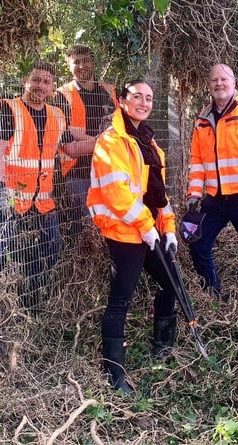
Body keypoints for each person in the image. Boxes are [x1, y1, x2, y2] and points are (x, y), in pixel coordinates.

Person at [87, 80, 178, 394]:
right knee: (120, 301)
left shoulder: (150, 143)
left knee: (172, 283)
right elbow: (117, 194)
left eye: (149, 98)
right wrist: (145, 225)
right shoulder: (110, 142)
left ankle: (163, 348)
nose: (143, 102)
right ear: (122, 100)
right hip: (125, 231)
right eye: (136, 96)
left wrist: (168, 230)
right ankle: (115, 375)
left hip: (150, 230)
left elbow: (159, 195)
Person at [0, 61, 66, 306]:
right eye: (36, 80)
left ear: (52, 88)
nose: (40, 85)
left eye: (46, 82)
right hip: (4, 199)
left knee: (52, 247)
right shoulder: (7, 109)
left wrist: (105, 138)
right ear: (25, 81)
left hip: (41, 202)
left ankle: (32, 301)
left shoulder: (57, 116)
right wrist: (1, 194)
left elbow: (71, 146)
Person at [185, 63, 238, 299]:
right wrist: (194, 193)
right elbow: (197, 159)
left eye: (224, 79)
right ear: (209, 85)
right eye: (214, 80)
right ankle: (213, 297)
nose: (219, 84)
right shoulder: (202, 118)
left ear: (234, 83)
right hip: (215, 199)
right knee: (198, 244)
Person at [57, 44, 118, 235]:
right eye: (76, 62)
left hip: (107, 169)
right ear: (69, 65)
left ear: (93, 62)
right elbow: (64, 131)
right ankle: (81, 263)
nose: (82, 66)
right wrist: (99, 141)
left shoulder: (108, 90)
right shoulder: (62, 94)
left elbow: (117, 124)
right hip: (77, 169)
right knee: (84, 227)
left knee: (107, 222)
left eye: (86, 61)